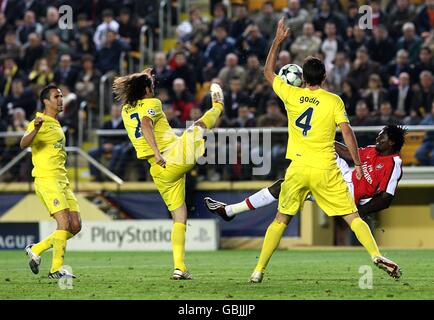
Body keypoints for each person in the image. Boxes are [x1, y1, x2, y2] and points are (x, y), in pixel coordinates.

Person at [224, 18, 400, 283]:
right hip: (325, 169)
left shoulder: (291, 95)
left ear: (301, 78)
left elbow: (268, 73)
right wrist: (359, 164)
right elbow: (348, 133)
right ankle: (375, 254)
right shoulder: (333, 101)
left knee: (280, 219)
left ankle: (258, 270)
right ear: (325, 77)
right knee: (352, 217)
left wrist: (277, 40)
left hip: (298, 167)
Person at [113, 68, 224, 280]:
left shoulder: (126, 109)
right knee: (197, 127)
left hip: (158, 171)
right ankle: (218, 107)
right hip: (169, 157)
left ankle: (179, 267)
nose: (154, 90)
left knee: (179, 214)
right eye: (151, 87)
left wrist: (144, 75)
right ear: (146, 90)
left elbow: (139, 112)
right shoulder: (153, 103)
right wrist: (156, 152)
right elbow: (146, 124)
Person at [205, 125, 406, 221]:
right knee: (317, 157)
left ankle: (230, 211)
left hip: (348, 192)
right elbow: (345, 151)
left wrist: (361, 212)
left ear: (392, 143)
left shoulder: (394, 163)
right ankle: (229, 211)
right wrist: (322, 137)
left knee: (285, 185)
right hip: (345, 176)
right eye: (378, 137)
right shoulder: (373, 150)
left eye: (382, 139)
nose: (377, 140)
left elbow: (386, 199)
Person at [21, 84, 82, 279]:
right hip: (47, 179)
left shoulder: (56, 123)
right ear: (46, 101)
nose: (61, 99)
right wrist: (36, 128)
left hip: (62, 180)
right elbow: (23, 143)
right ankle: (56, 269)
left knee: (75, 225)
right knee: (63, 223)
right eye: (56, 96)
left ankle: (36, 249)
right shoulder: (39, 122)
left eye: (62, 96)